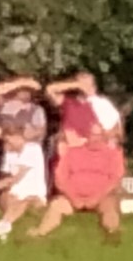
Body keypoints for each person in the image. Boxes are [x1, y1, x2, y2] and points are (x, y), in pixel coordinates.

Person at [33, 73, 126, 242]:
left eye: (87, 83)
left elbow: (116, 134)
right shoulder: (70, 103)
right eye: (79, 82)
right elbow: (50, 90)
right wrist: (74, 85)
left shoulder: (102, 105)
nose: (83, 86)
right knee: (57, 203)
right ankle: (40, 233)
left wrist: (96, 139)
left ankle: (113, 233)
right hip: (72, 151)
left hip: (94, 154)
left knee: (109, 205)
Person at [0, 129, 49, 242]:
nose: (6, 144)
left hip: (34, 194)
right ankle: (4, 227)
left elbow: (15, 179)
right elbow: (5, 177)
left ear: (18, 137)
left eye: (9, 140)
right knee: (8, 198)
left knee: (25, 202)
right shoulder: (9, 152)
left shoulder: (33, 149)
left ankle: (4, 224)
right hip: (13, 192)